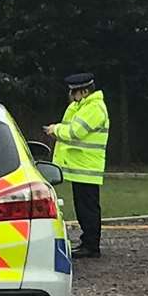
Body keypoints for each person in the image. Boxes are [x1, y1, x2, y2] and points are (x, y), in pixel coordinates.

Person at [44, 72, 109, 258]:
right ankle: (87, 242)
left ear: (84, 91)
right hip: (82, 167)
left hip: (87, 167)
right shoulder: (84, 106)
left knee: (88, 208)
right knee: (84, 207)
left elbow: (76, 131)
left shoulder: (94, 108)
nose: (71, 96)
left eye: (74, 92)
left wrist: (55, 129)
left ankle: (91, 245)